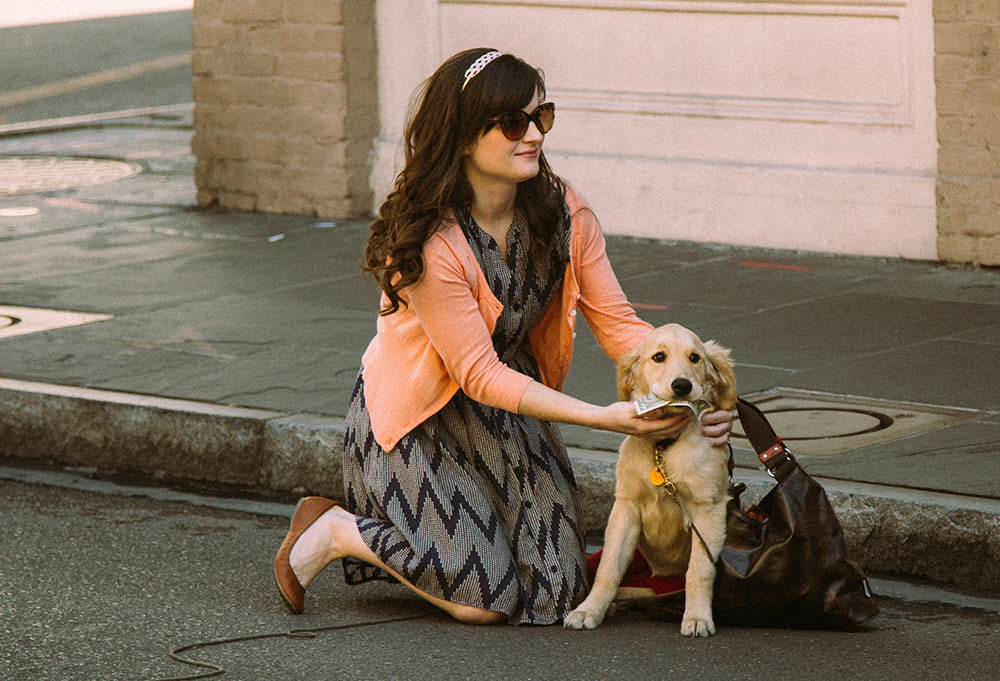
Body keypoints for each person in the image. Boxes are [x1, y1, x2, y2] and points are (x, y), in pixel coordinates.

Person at [274, 48, 734, 626]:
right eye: (514, 124)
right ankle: (337, 529)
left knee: (559, 596)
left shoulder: (565, 211)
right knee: (483, 600)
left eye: (541, 117)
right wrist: (607, 417)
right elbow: (479, 375)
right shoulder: (431, 243)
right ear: (465, 137)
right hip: (419, 419)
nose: (534, 136)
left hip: (510, 411)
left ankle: (467, 538)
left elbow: (621, 326)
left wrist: (687, 394)